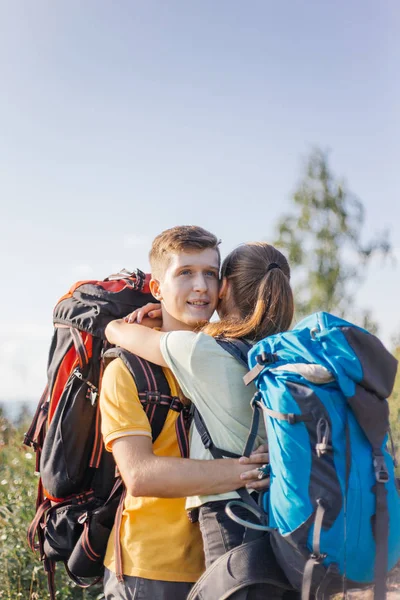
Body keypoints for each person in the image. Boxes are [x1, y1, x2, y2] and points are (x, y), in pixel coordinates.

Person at [106, 239, 295, 599]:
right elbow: (139, 476)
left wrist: (117, 325)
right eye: (186, 273)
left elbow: (117, 330)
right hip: (152, 565)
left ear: (224, 289)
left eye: (210, 273)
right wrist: (254, 472)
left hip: (225, 546)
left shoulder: (203, 352)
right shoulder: (127, 370)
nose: (201, 286)